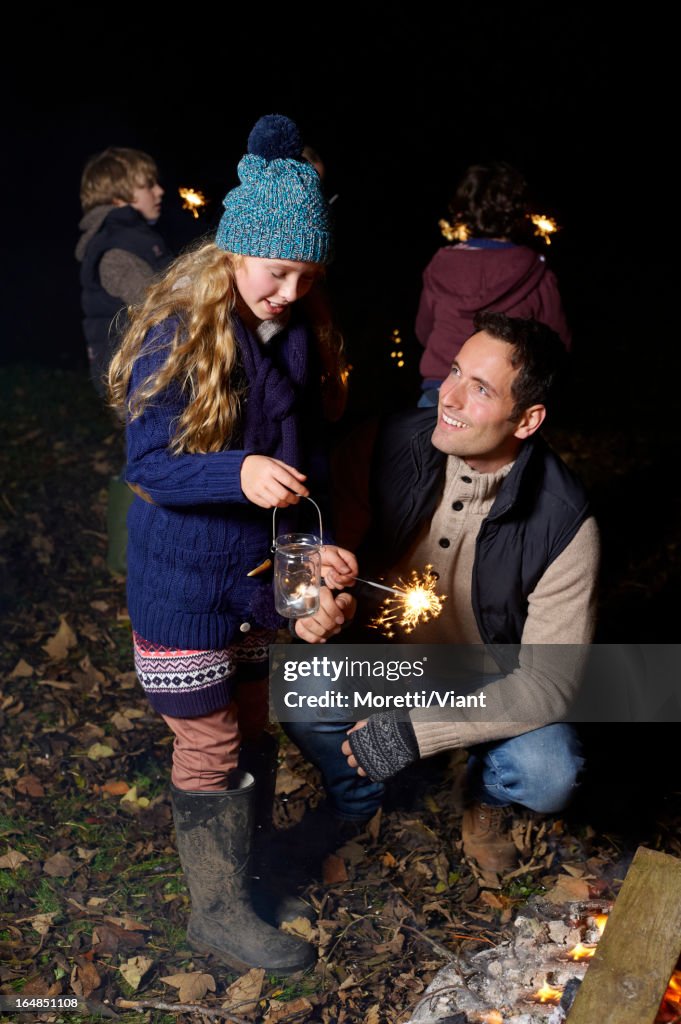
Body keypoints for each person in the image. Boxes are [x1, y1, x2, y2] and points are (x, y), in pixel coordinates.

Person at [108, 115, 357, 973]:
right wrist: (238, 472)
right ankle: (213, 914)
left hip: (250, 582)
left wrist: (315, 553)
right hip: (182, 586)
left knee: (252, 728)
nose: (289, 290)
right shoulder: (182, 332)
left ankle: (240, 883)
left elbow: (303, 467)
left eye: (305, 275)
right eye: (276, 269)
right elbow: (149, 465)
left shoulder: (288, 340)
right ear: (233, 254)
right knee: (208, 741)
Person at [283, 312, 599, 875]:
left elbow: (550, 683)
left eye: (478, 389)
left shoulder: (566, 522)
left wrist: (420, 730)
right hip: (387, 663)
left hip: (492, 682)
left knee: (549, 772)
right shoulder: (387, 442)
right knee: (303, 683)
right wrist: (323, 602)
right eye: (453, 372)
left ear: (527, 419)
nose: (448, 397)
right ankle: (355, 803)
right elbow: (328, 554)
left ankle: (486, 797)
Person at [416, 161, 571, 407]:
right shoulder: (537, 271)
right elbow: (558, 343)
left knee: (425, 444)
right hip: (501, 400)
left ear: (463, 211)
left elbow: (423, 331)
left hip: (441, 391)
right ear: (518, 212)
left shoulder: (441, 264)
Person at [76, 146, 173, 397]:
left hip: (151, 377)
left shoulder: (132, 238)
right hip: (143, 387)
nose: (159, 191)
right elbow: (163, 308)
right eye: (148, 185)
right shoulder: (116, 250)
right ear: (119, 199)